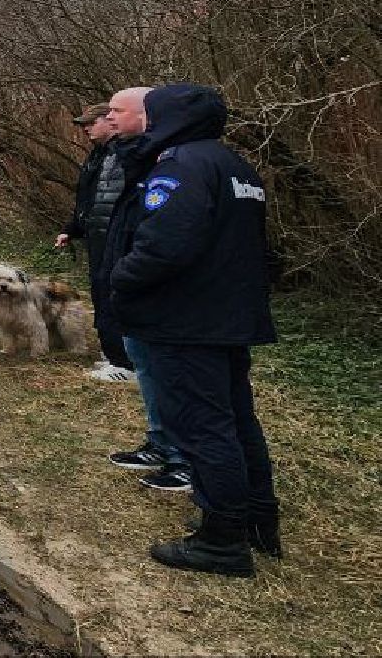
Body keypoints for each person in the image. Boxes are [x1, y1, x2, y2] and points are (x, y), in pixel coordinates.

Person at [103, 83, 280, 577]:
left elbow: (164, 246)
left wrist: (120, 277)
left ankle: (222, 540)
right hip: (226, 316)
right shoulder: (236, 166)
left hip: (186, 319)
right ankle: (258, 519)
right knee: (238, 422)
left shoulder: (179, 167)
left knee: (204, 429)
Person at [99, 88, 194, 494]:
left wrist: (128, 270)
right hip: (128, 278)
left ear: (148, 115)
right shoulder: (130, 155)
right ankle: (160, 443)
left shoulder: (176, 162)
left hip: (156, 287)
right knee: (145, 364)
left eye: (119, 110)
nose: (111, 116)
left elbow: (168, 235)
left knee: (171, 374)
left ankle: (183, 458)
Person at [56, 103, 134, 379]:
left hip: (116, 238)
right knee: (101, 295)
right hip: (97, 237)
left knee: (114, 296)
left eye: (91, 122)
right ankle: (113, 354)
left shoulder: (124, 154)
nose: (86, 128)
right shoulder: (97, 155)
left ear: (108, 121)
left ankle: (125, 363)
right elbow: (90, 200)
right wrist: (72, 228)